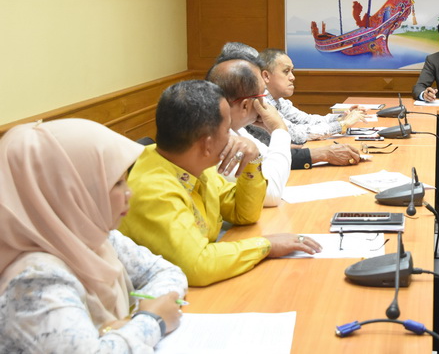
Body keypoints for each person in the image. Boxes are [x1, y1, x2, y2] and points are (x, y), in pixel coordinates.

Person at [0, 119, 188, 352]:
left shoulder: (92, 236)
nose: (129, 193)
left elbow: (165, 271)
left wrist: (127, 325)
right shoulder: (35, 280)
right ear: (69, 193)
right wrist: (151, 320)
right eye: (116, 183)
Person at [118, 81, 321, 287]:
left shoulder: (193, 163)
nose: (232, 136)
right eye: (227, 129)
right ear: (207, 144)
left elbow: (243, 213)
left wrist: (252, 159)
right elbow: (198, 265)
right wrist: (266, 245)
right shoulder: (154, 189)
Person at [215, 43, 363, 170]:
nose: (292, 77)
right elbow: (291, 143)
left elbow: (269, 154)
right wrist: (340, 126)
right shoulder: (247, 108)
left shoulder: (239, 122)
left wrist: (340, 119)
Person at [206, 58, 292, 206]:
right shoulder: (217, 140)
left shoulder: (236, 129)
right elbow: (270, 192)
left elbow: (269, 163)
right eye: (262, 96)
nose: (265, 103)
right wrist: (279, 129)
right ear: (245, 105)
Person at [259, 48, 366, 145]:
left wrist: (342, 117)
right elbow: (296, 135)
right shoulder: (261, 103)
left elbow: (307, 120)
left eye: (292, 71)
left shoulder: (278, 100)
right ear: (266, 76)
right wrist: (342, 124)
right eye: (286, 71)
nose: (292, 77)